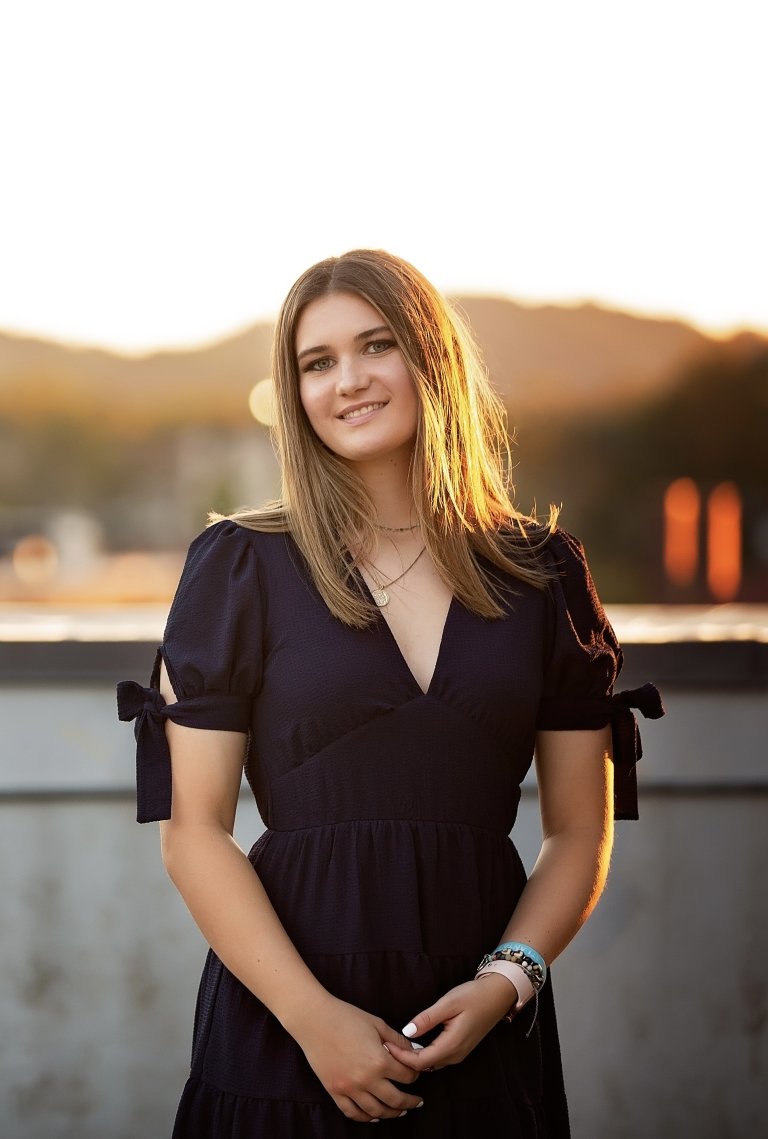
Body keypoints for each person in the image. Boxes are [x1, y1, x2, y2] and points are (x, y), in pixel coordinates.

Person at [118, 249, 663, 1137]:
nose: (349, 380)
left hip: (482, 1025)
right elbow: (195, 833)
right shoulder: (239, 565)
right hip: (283, 1025)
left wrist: (505, 983)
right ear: (293, 392)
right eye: (317, 362)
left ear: (431, 359)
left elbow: (577, 831)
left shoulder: (542, 572)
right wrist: (313, 1020)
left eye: (377, 346)